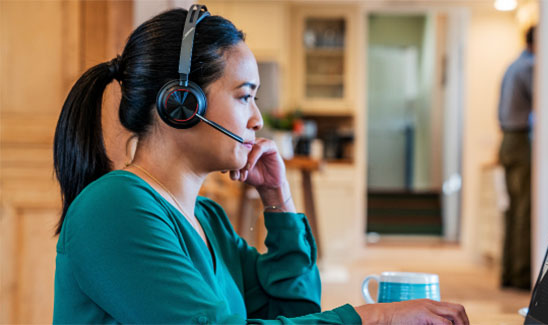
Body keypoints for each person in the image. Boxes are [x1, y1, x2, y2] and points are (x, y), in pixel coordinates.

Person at [51, 6, 469, 324]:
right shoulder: (115, 208)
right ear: (182, 105)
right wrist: (372, 316)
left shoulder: (205, 217)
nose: (258, 119)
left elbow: (291, 306)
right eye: (244, 96)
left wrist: (278, 201)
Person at [498, 25, 536, 290]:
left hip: (508, 140)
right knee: (524, 210)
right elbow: (541, 100)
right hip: (521, 140)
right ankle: (522, 276)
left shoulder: (513, 65)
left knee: (513, 211)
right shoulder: (530, 66)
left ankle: (509, 273)